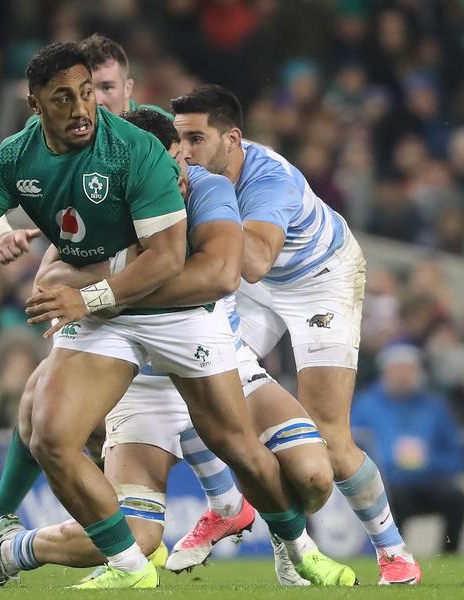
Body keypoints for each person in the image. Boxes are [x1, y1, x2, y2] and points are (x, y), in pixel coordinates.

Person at [0, 43, 311, 591]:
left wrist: (85, 296)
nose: (82, 109)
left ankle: (295, 544)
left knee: (238, 444)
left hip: (173, 312)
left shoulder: (137, 149)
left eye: (88, 93)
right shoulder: (15, 157)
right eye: (64, 98)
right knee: (49, 433)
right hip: (107, 317)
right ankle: (124, 564)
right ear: (34, 105)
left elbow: (167, 260)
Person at [0, 110, 349, 588]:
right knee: (133, 532)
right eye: (162, 165)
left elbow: (221, 275)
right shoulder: (99, 196)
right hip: (140, 381)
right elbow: (48, 280)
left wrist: (107, 289)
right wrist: (131, 279)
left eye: (178, 161)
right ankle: (13, 548)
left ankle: (295, 548)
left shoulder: (208, 189)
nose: (177, 175)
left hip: (201, 342)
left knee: (309, 474)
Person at [170, 84, 422, 585]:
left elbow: (256, 262)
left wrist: (201, 209)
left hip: (319, 282)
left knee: (329, 436)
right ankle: (227, 506)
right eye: (180, 141)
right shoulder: (194, 171)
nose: (185, 153)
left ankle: (394, 552)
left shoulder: (269, 181)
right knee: (194, 385)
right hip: (255, 289)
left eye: (197, 140)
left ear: (232, 139)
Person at [352, 344, 464, 554]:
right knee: (394, 500)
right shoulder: (366, 405)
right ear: (384, 372)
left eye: (408, 369)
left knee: (458, 498)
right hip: (386, 485)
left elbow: (456, 455)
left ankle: (449, 557)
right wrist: (390, 461)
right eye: (397, 369)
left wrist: (427, 461)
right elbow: (353, 449)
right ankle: (393, 555)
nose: (402, 376)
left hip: (428, 481)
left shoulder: (435, 406)